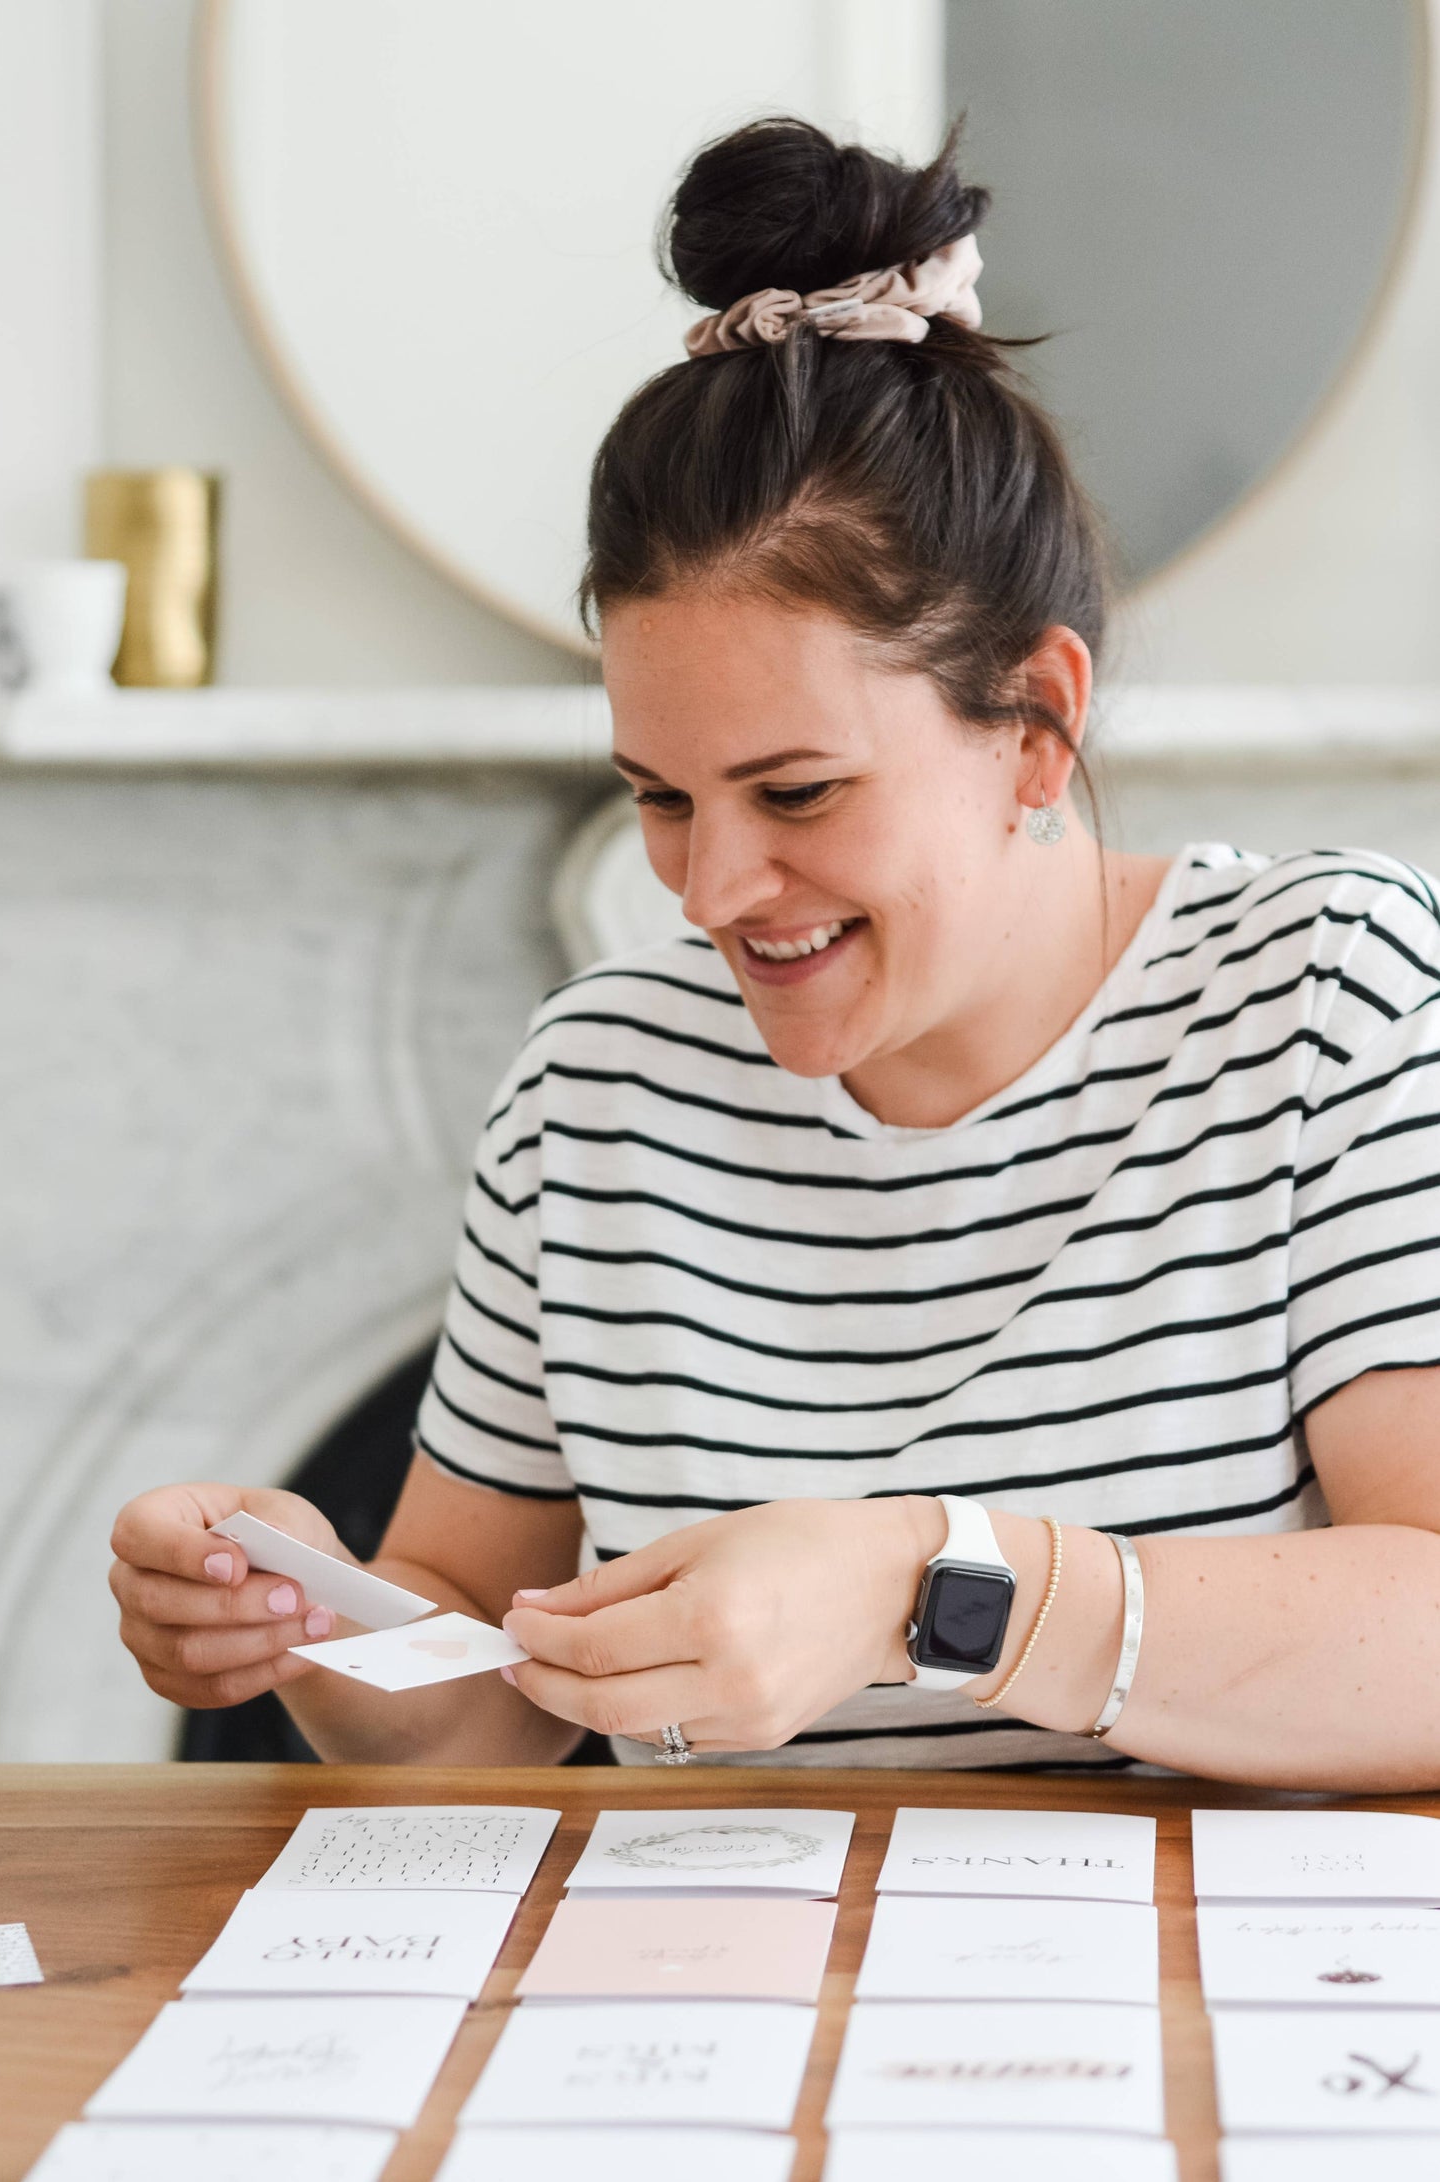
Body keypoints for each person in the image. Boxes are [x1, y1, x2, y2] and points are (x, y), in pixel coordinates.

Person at [110, 119, 1440, 1788]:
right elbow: (485, 1718)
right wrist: (309, 1620)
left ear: (1035, 722)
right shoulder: (600, 1084)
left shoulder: (1326, 998)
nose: (713, 886)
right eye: (661, 796)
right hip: (713, 1993)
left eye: (795, 789)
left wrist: (926, 1585)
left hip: (1187, 2017)